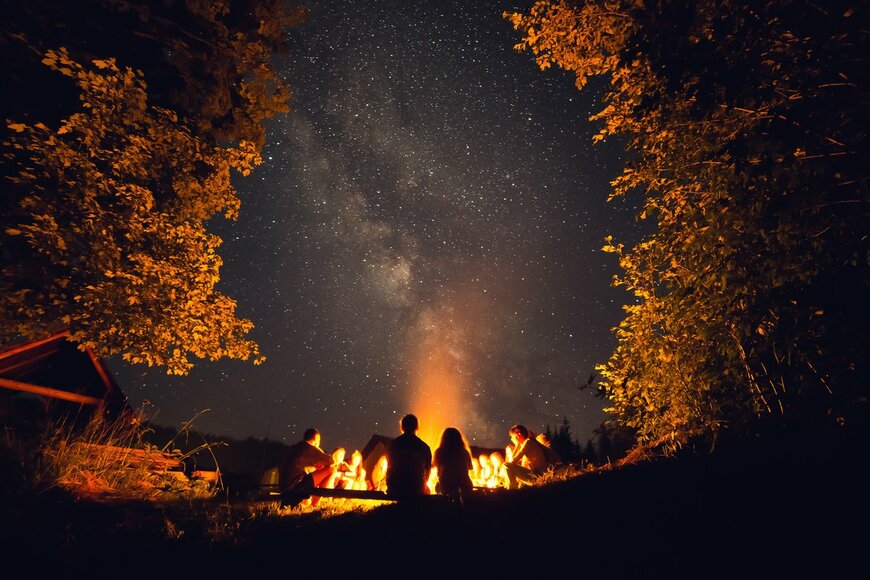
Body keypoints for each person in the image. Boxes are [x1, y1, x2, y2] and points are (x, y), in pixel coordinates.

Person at [278, 427, 337, 507]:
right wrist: (318, 448)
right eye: (319, 441)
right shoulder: (308, 447)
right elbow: (331, 460)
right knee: (332, 469)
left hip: (284, 488)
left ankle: (311, 501)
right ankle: (315, 504)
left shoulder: (297, 447)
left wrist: (316, 467)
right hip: (294, 488)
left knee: (322, 469)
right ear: (316, 439)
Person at [385, 413, 432, 498]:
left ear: (402, 427)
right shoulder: (424, 447)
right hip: (416, 488)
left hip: (395, 487)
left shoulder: (393, 444)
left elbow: (389, 467)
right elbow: (428, 471)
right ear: (417, 427)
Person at [503, 424, 558, 490]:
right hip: (537, 475)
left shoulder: (528, 443)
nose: (512, 439)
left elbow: (514, 461)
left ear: (519, 434)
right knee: (520, 484)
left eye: (513, 437)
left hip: (538, 476)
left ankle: (512, 490)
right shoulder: (530, 442)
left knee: (506, 465)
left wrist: (517, 445)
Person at [432, 427, 473, 499]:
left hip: (446, 486)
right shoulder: (465, 452)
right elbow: (469, 469)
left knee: (437, 487)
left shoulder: (439, 452)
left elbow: (435, 469)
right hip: (465, 486)